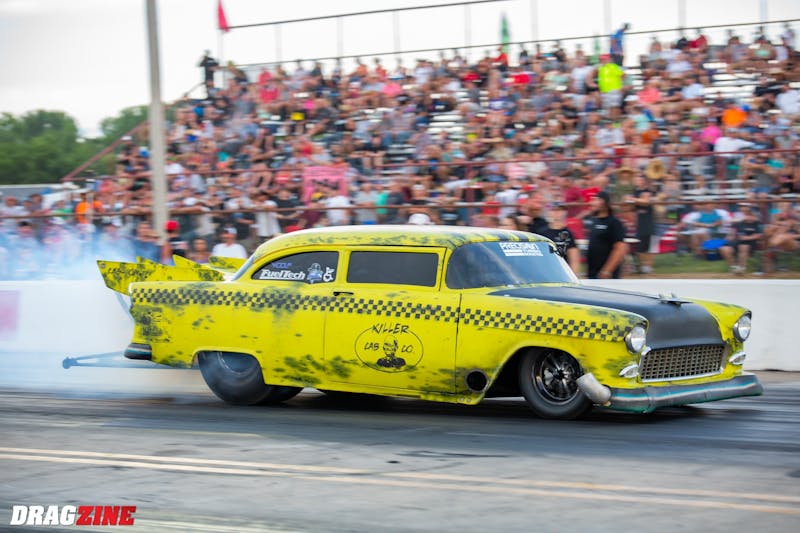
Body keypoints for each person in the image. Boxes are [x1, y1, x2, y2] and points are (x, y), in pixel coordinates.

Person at [587, 191, 627, 279]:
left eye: (595, 200)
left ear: (604, 202)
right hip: (593, 273)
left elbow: (620, 248)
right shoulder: (593, 221)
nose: (591, 203)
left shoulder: (614, 222)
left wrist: (607, 271)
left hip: (607, 275)